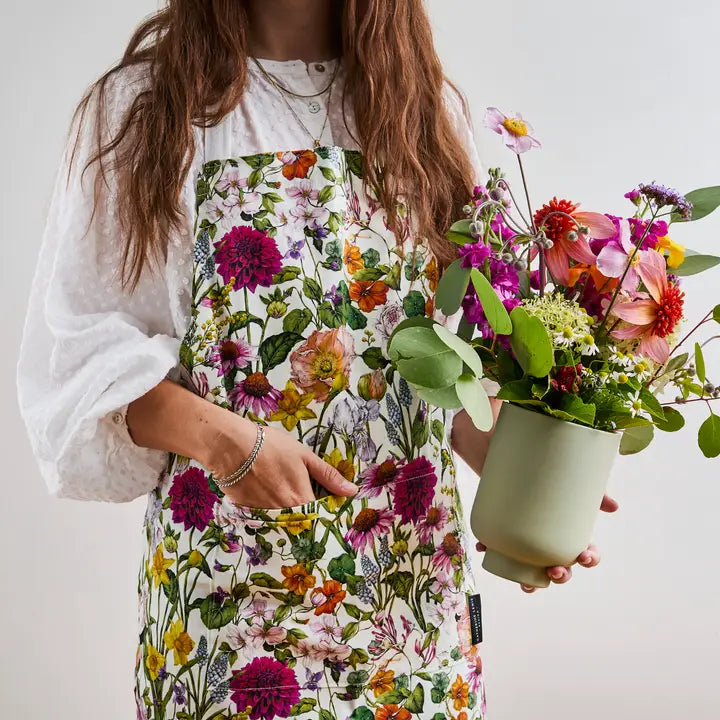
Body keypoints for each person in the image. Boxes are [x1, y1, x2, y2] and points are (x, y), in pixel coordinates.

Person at [16, 1, 618, 718]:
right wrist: (226, 439)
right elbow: (78, 364)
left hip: (412, 616)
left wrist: (532, 486)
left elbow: (442, 373)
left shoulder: (422, 110)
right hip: (232, 610)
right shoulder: (149, 109)